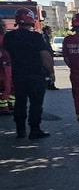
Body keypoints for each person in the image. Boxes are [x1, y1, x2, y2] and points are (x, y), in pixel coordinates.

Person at [2, 8, 54, 139]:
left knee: (20, 102)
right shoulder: (36, 37)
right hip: (36, 75)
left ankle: (20, 130)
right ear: (31, 20)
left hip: (18, 75)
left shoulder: (9, 37)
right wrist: (51, 72)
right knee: (36, 103)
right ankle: (35, 129)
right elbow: (45, 56)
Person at [0, 20, 14, 115]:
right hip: (3, 64)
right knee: (5, 86)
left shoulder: (5, 36)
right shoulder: (3, 37)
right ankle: (3, 107)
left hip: (7, 63)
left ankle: (9, 104)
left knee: (9, 85)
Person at [42, 25, 59, 90]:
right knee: (49, 71)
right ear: (46, 30)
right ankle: (50, 85)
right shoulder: (44, 37)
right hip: (47, 56)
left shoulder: (46, 37)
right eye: (50, 30)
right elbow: (46, 47)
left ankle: (49, 84)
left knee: (48, 71)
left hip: (48, 55)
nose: (51, 31)